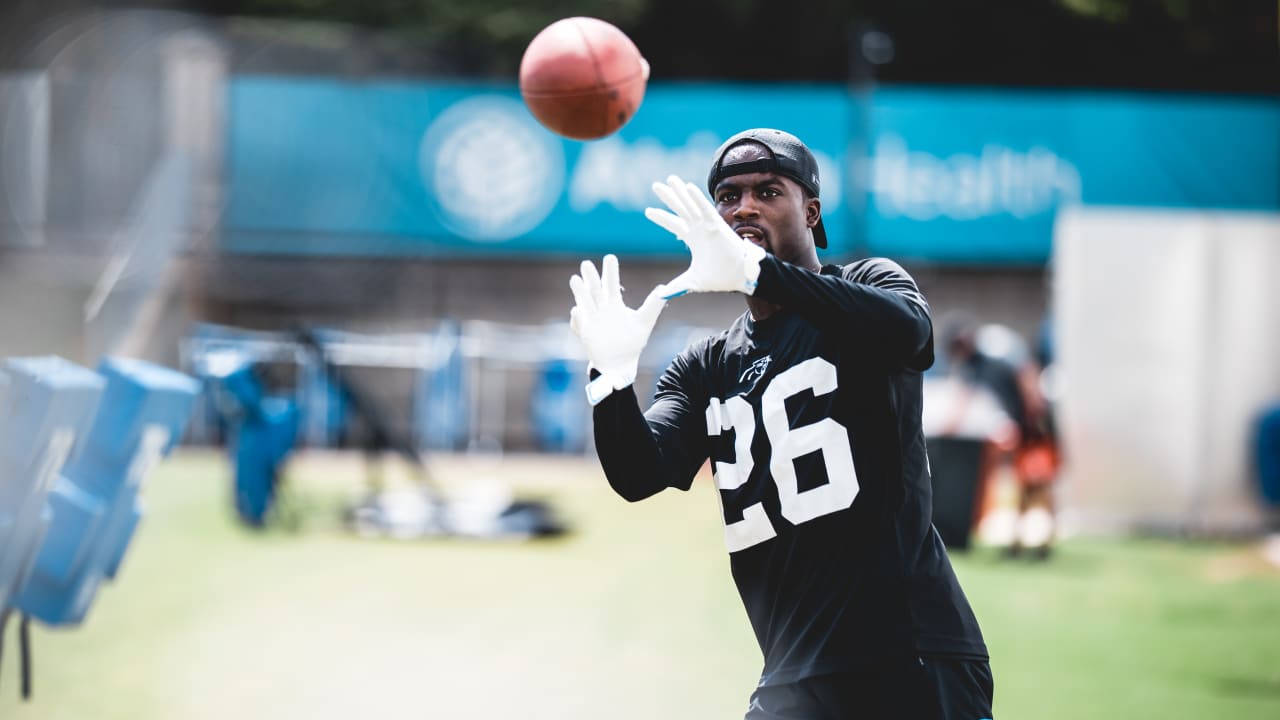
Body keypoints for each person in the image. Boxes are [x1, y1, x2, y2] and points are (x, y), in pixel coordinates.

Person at [568, 128, 992, 719]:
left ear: (811, 212)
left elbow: (909, 334)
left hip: (907, 652)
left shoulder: (867, 284)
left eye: (768, 192)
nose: (744, 208)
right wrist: (610, 380)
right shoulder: (707, 364)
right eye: (728, 196)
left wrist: (757, 272)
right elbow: (639, 474)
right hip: (792, 676)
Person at [941, 314, 1060, 559]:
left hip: (1034, 422)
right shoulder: (973, 362)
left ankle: (1044, 540)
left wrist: (1034, 420)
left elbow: (1027, 375)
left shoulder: (996, 344)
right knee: (1021, 482)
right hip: (1020, 421)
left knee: (1039, 480)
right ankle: (1018, 540)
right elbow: (964, 397)